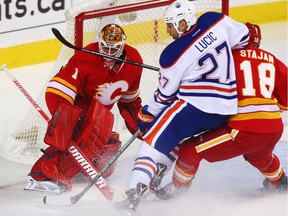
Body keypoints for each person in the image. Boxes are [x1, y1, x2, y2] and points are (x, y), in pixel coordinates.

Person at [115, 0, 262, 213]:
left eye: (170, 24)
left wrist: (147, 115)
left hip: (194, 108)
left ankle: (133, 195)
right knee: (178, 135)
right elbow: (246, 38)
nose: (167, 30)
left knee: (151, 142)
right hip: (225, 108)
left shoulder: (172, 53)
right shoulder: (216, 20)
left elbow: (164, 96)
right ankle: (160, 170)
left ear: (183, 23)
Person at [154, 23, 288, 200]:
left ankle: (178, 188)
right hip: (274, 128)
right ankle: (280, 181)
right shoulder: (272, 59)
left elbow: (207, 88)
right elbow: (285, 102)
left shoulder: (227, 60)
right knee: (259, 156)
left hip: (245, 130)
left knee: (190, 149)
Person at [24, 24, 143, 193]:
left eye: (113, 49)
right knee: (80, 135)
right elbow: (58, 88)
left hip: (99, 114)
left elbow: (129, 102)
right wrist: (66, 118)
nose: (108, 54)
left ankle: (76, 168)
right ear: (99, 43)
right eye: (105, 48)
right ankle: (41, 174)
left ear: (122, 45)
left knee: (107, 155)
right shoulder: (85, 58)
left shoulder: (134, 61)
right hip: (77, 106)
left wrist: (139, 124)